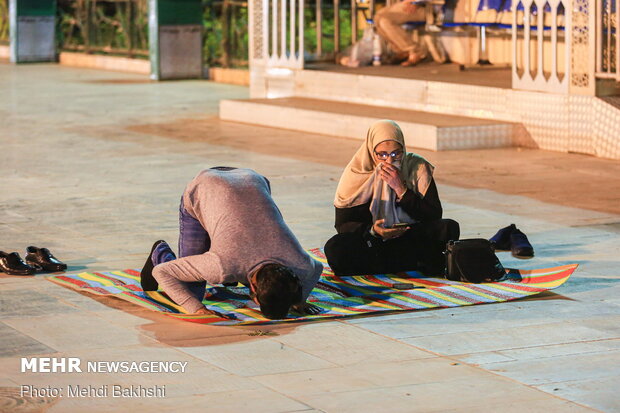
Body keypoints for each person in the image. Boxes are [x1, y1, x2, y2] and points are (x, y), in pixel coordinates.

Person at [140, 167, 323, 320]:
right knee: (191, 291)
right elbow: (161, 272)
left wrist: (300, 300)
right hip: (207, 185)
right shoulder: (221, 266)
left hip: (252, 179)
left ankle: (228, 267)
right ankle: (160, 252)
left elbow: (318, 267)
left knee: (225, 246)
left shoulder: (301, 264)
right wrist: (197, 309)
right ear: (252, 288)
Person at [323, 120, 459, 276]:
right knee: (336, 247)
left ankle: (392, 266)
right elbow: (343, 225)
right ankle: (409, 264)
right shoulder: (357, 173)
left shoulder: (417, 167)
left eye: (396, 154)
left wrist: (401, 189)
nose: (389, 161)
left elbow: (433, 215)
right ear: (371, 151)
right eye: (382, 154)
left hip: (408, 237)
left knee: (448, 227)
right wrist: (374, 231)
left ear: (403, 148)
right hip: (373, 243)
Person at [374, 0, 428, 66]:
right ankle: (402, 50)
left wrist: (415, 3)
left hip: (421, 6)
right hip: (402, 3)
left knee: (385, 21)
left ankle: (415, 51)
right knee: (377, 17)